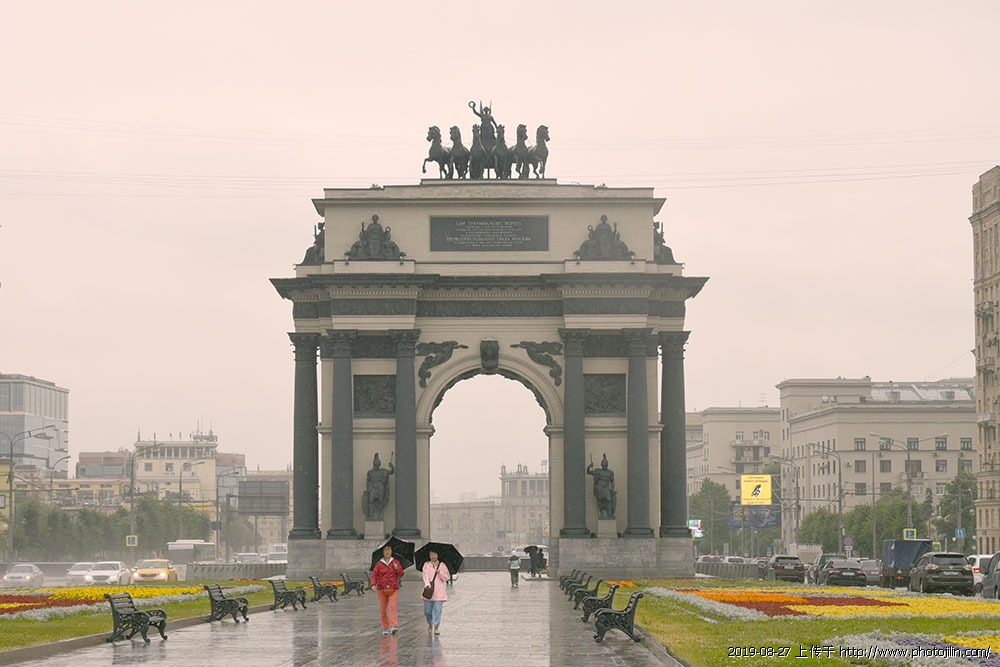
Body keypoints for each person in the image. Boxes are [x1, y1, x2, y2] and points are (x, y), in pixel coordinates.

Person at [370, 544, 404, 635]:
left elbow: (401, 574)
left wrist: (397, 568)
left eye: (389, 550)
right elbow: (374, 575)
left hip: (393, 588)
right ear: (382, 552)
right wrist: (373, 584)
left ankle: (394, 626)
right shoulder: (379, 563)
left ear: (392, 551)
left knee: (392, 607)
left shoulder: (395, 562)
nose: (387, 552)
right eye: (385, 550)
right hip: (382, 589)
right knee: (383, 609)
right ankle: (385, 627)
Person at [421, 548, 450, 636]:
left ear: (438, 555)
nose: (432, 556)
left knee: (437, 610)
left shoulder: (442, 565)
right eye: (431, 555)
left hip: (439, 592)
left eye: (434, 554)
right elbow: (425, 575)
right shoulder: (426, 565)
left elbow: (447, 577)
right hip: (429, 592)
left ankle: (436, 627)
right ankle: (430, 623)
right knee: (427, 611)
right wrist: (427, 584)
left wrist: (440, 572)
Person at [362, 452, 395, 521]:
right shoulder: (370, 472)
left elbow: (391, 472)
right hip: (372, 488)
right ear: (373, 464)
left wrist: (392, 466)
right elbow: (368, 482)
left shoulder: (383, 471)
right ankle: (371, 513)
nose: (376, 466)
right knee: (371, 500)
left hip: (380, 487)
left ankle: (380, 513)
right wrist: (368, 489)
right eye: (375, 465)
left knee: (380, 500)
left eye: (377, 465)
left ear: (379, 465)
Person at [587, 453, 617, 519]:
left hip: (606, 488)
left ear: (607, 465)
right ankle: (600, 514)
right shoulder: (598, 471)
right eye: (603, 465)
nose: (604, 466)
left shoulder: (610, 472)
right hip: (599, 488)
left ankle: (609, 514)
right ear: (601, 465)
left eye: (605, 465)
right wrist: (589, 466)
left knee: (609, 499)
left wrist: (612, 489)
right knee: (600, 500)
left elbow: (612, 481)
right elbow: (588, 472)